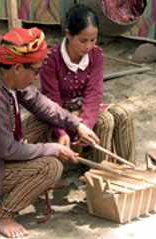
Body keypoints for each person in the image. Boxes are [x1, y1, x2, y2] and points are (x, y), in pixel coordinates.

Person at [0, 27, 99, 238]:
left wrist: (76, 124)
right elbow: (7, 150)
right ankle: (2, 216)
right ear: (17, 68)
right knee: (50, 167)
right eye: (35, 71)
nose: (36, 77)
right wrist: (51, 148)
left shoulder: (5, 77)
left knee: (43, 120)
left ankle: (28, 184)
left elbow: (41, 104)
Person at [40, 4, 135, 163]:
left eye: (93, 39)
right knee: (105, 122)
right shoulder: (51, 59)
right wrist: (63, 131)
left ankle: (126, 169)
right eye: (83, 40)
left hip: (85, 107)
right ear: (69, 35)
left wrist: (87, 125)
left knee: (124, 115)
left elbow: (94, 93)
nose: (89, 46)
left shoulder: (96, 55)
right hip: (60, 112)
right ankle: (97, 173)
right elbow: (52, 101)